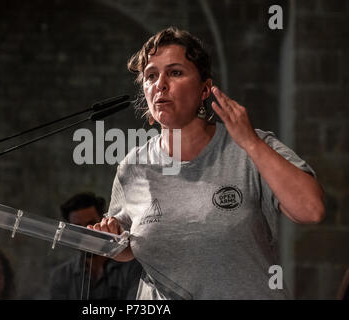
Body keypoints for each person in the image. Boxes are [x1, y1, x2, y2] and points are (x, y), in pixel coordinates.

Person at [87, 26, 326, 299]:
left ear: (204, 89)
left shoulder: (251, 147)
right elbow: (132, 246)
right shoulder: (132, 167)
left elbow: (311, 210)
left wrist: (251, 144)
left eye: (175, 72)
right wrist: (112, 237)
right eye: (151, 75)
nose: (160, 84)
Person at [49, 192, 142, 300]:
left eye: (92, 224)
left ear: (103, 223)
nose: (85, 234)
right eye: (78, 228)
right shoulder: (61, 276)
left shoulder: (132, 268)